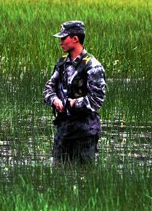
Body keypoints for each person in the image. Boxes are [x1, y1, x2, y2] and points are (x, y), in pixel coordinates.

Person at [43, 20, 107, 164]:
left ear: (75, 39)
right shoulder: (61, 63)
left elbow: (97, 99)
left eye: (63, 38)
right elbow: (48, 88)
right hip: (64, 130)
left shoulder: (93, 66)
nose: (60, 42)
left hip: (85, 132)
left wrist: (73, 103)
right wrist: (54, 100)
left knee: (84, 176)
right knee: (58, 174)